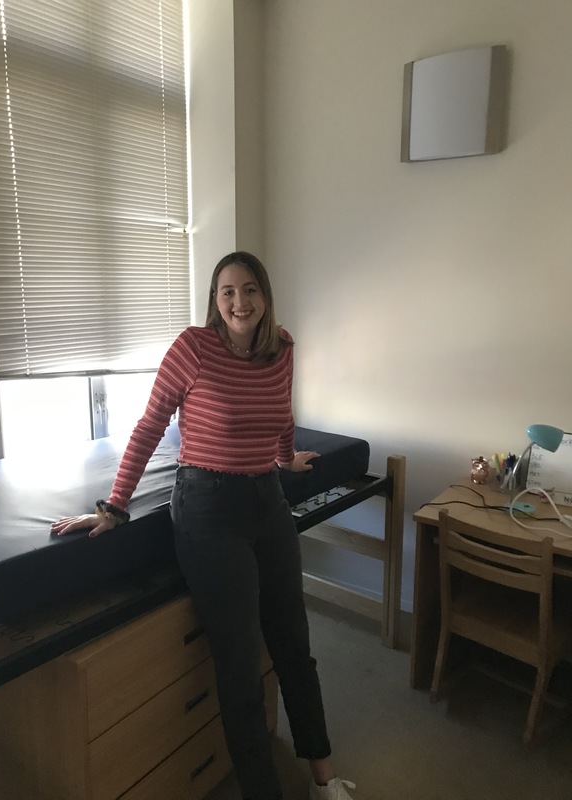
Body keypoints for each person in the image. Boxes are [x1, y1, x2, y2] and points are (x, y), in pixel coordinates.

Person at [51, 251, 356, 800]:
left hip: (267, 499)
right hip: (207, 509)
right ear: (215, 302)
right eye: (226, 292)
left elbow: (280, 413)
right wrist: (115, 504)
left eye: (249, 290)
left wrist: (288, 458)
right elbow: (148, 425)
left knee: (294, 646)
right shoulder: (193, 348)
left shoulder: (282, 347)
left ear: (265, 295)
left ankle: (325, 779)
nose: (239, 302)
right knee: (241, 668)